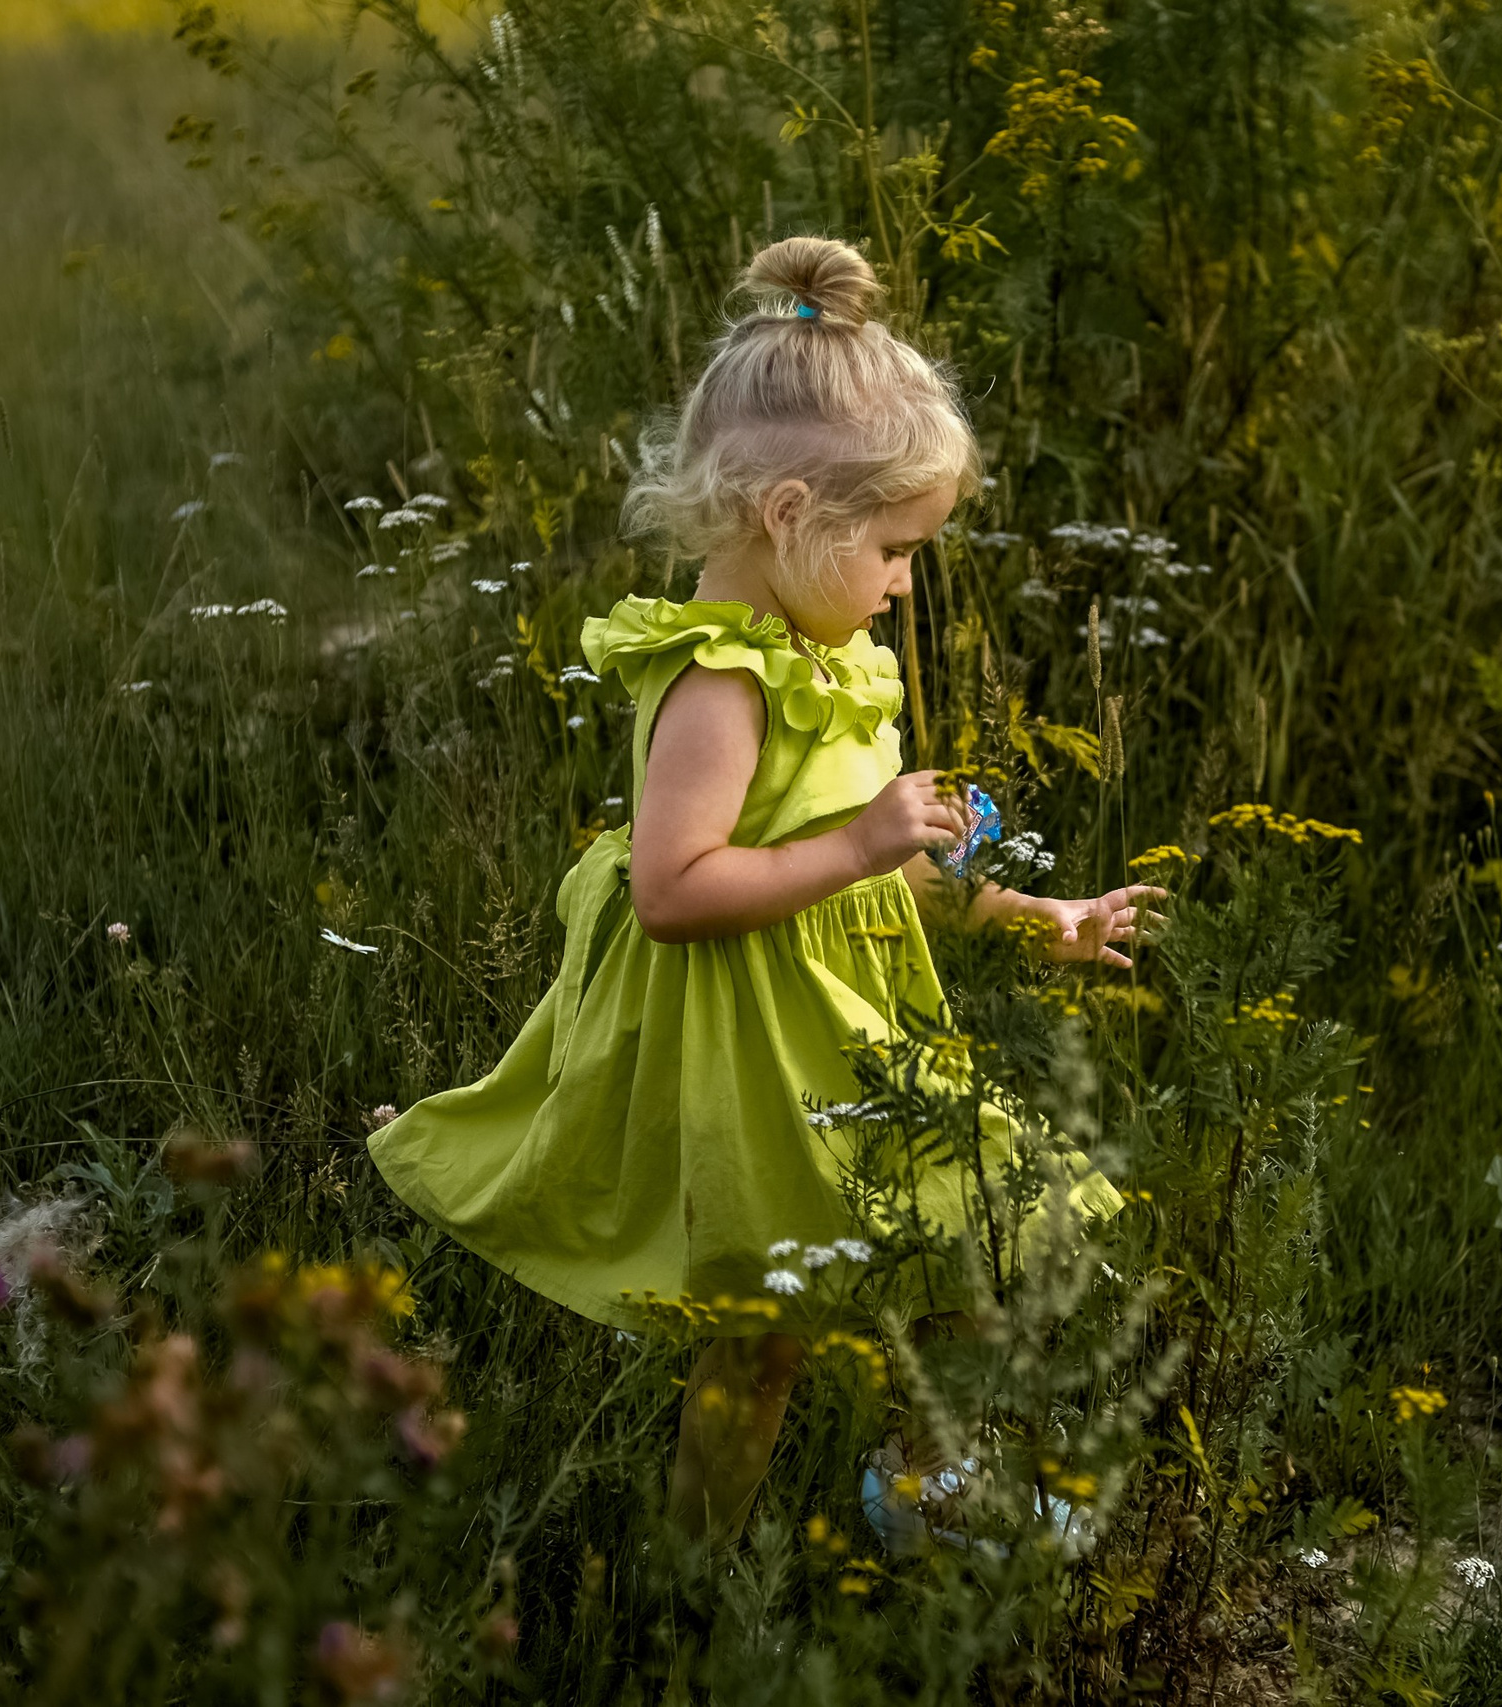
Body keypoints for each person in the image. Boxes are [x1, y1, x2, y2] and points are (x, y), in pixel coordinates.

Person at [368, 234, 1160, 1544]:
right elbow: (676, 888)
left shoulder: (825, 658)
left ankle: (933, 1484)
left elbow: (893, 876)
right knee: (765, 1329)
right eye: (898, 552)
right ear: (793, 517)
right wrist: (851, 846)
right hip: (746, 1053)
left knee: (985, 1218)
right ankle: (696, 1576)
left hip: (844, 1029)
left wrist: (1031, 918)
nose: (906, 587)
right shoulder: (718, 685)